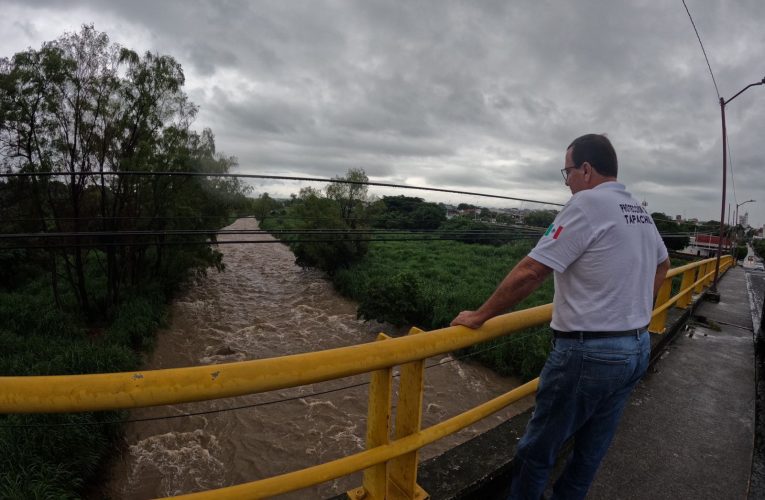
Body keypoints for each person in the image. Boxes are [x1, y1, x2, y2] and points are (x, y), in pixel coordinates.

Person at [451, 134, 670, 499]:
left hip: (589, 355)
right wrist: (638, 309)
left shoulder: (586, 204)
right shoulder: (637, 210)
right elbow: (664, 264)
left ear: (585, 170)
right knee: (589, 452)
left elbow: (532, 271)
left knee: (537, 453)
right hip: (635, 346)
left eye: (567, 172)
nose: (566, 181)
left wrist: (480, 314)